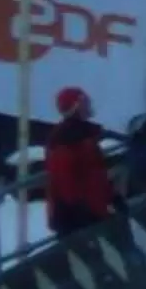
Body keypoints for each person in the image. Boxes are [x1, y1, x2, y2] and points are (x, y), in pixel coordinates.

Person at [42, 85, 117, 236]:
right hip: (76, 216)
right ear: (75, 107)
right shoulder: (65, 139)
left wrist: (112, 197)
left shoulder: (84, 134)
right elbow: (66, 181)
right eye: (83, 102)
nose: (88, 106)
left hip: (92, 209)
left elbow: (96, 172)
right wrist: (82, 209)